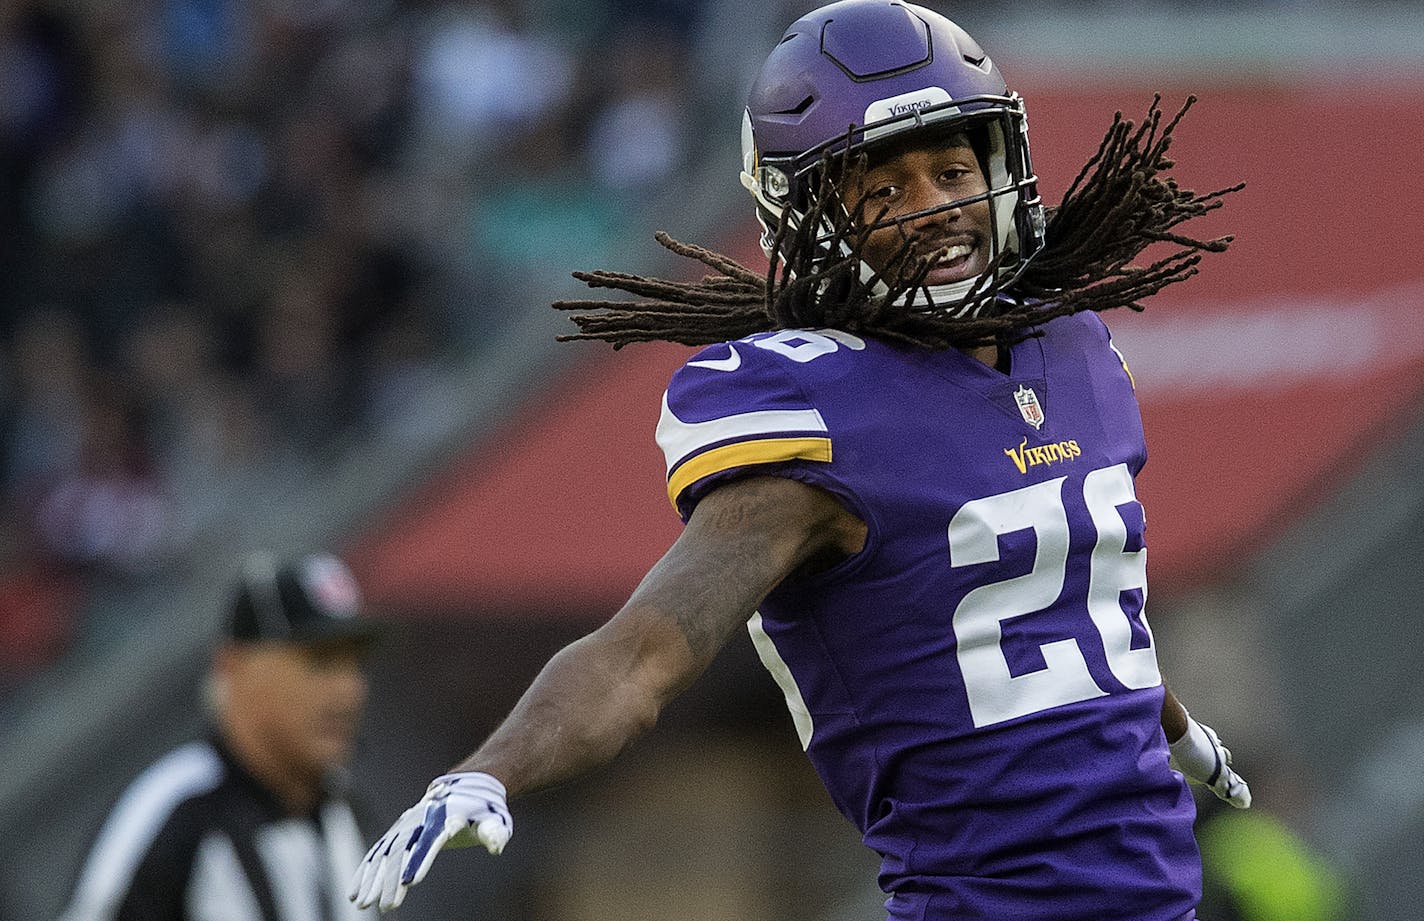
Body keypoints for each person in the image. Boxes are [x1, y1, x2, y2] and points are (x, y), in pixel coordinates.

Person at [351, 3, 1252, 919]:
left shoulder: (1077, 350)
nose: (936, 208)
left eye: (950, 169)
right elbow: (641, 654)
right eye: (886, 189)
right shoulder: (813, 412)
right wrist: (490, 769)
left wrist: (1167, 722)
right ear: (809, 217)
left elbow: (1069, 601)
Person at [62, 553, 380, 921]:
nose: (349, 691)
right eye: (319, 661)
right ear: (233, 667)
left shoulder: (342, 808)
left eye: (354, 662)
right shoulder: (178, 812)